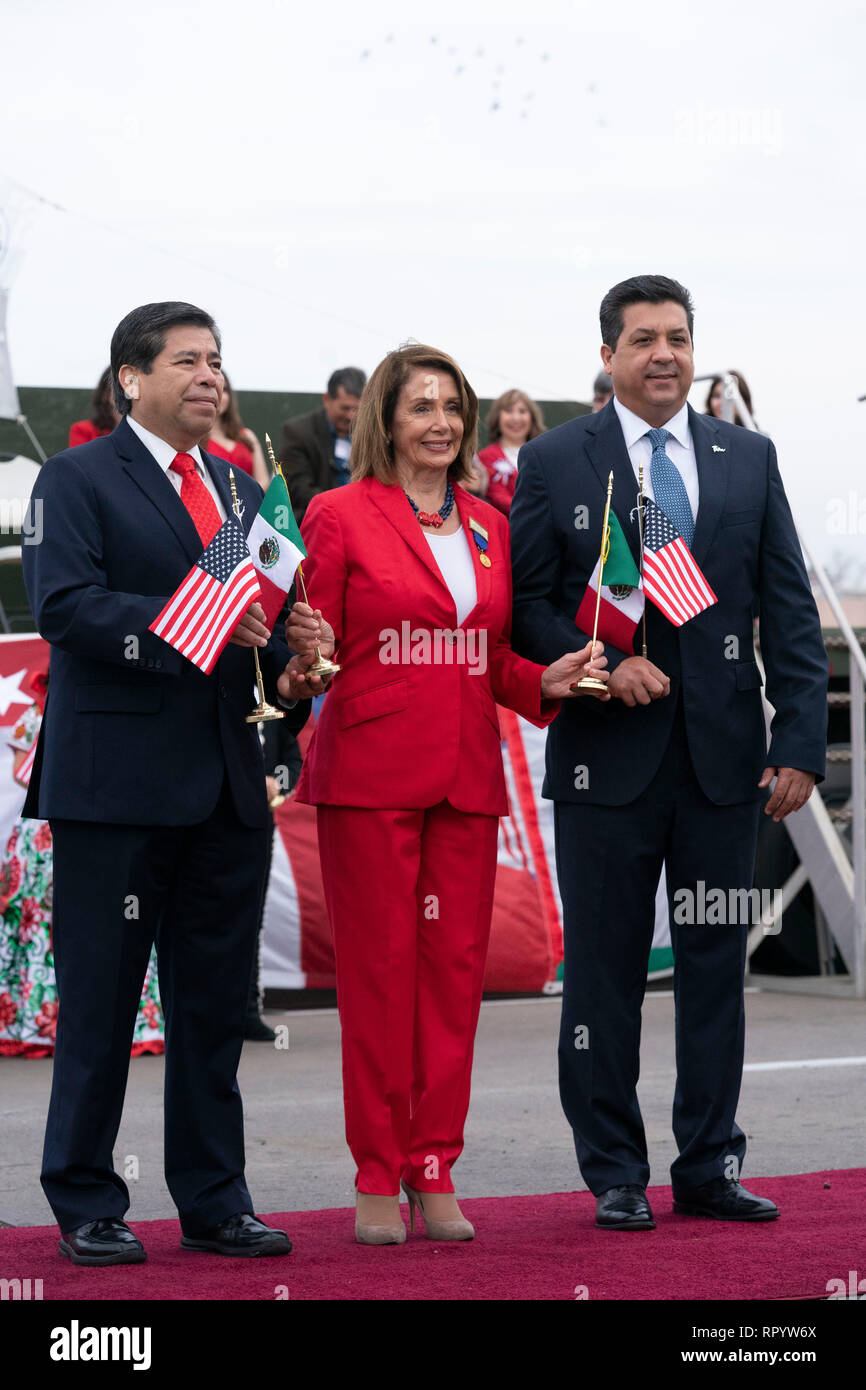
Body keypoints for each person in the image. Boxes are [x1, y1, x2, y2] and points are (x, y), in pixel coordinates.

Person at [510, 275, 828, 1232]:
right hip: (606, 765)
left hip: (725, 769)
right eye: (644, 338)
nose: (664, 354)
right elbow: (526, 607)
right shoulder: (554, 459)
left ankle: (709, 1164)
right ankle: (614, 1171)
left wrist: (799, 739)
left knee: (714, 969)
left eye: (679, 338)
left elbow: (789, 608)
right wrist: (603, 667)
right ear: (607, 355)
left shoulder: (747, 457)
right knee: (603, 978)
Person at [286, 342, 609, 1245]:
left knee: (454, 981)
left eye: (453, 407)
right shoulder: (338, 512)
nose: (441, 422)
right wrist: (302, 662)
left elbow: (490, 659)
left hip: (467, 774)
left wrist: (547, 678)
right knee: (379, 979)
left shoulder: (490, 524)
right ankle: (375, 1172)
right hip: (370, 778)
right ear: (386, 420)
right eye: (421, 406)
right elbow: (315, 654)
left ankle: (434, 1163)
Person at [23, 300, 321, 1267]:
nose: (209, 376)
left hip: (228, 788)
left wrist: (291, 664)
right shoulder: (74, 478)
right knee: (103, 1007)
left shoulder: (239, 489)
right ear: (130, 379)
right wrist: (200, 618)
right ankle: (86, 1199)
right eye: (187, 360)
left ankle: (215, 1199)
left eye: (217, 361)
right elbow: (66, 607)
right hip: (116, 792)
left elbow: (251, 629)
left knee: (211, 1012)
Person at [0, 676, 164, 1059]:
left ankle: (124, 1024)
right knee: (41, 923)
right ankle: (37, 1022)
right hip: (43, 831)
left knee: (110, 920)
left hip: (84, 819)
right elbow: (20, 768)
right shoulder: (35, 715)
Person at [278, 366, 366, 522]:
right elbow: (298, 488)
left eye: (357, 409)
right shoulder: (298, 432)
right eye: (345, 408)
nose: (351, 416)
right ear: (327, 399)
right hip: (317, 520)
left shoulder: (371, 435)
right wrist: (343, 509)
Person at [474, 388, 545, 515]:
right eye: (508, 411)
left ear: (532, 418)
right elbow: (497, 496)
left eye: (522, 411)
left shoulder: (544, 455)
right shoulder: (486, 457)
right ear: (497, 417)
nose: (516, 418)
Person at [205, 370, 271, 490]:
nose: (219, 395)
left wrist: (245, 497)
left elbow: (263, 481)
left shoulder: (247, 436)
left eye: (224, 390)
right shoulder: (193, 441)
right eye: (212, 388)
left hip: (252, 500)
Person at [68, 367, 119, 448]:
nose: (131, 393)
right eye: (121, 386)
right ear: (105, 394)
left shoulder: (139, 430)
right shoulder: (82, 430)